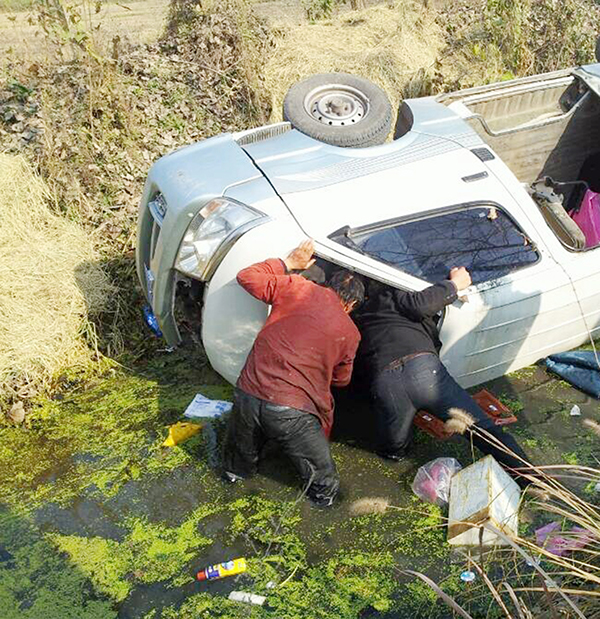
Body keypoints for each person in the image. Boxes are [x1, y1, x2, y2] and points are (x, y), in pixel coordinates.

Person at [354, 266, 531, 482]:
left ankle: (397, 469)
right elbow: (421, 305)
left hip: (387, 383)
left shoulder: (358, 316)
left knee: (392, 449)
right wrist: (454, 284)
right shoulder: (394, 291)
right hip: (425, 371)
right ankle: (533, 480)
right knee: (484, 431)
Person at [222, 239, 365, 507]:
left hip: (248, 394)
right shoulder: (350, 332)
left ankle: (232, 491)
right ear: (352, 304)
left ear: (328, 286)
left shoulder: (296, 287)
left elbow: (247, 277)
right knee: (324, 483)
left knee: (236, 468)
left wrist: (288, 263)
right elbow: (341, 380)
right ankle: (319, 515)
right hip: (292, 412)